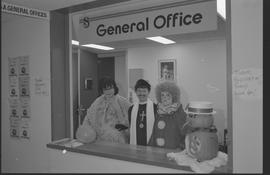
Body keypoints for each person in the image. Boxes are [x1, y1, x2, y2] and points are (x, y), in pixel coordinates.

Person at [80, 77, 131, 144]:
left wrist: (124, 124)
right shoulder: (98, 101)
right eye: (105, 89)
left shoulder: (122, 101)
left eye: (110, 88)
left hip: (118, 139)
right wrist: (85, 130)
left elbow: (131, 118)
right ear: (102, 90)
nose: (108, 91)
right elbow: (89, 117)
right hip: (100, 138)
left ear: (114, 88)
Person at [148, 81, 187, 150]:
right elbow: (154, 133)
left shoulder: (180, 114)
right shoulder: (159, 112)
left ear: (174, 96)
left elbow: (186, 135)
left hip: (173, 152)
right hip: (157, 152)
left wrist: (181, 148)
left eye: (168, 95)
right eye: (162, 95)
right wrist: (149, 148)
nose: (164, 97)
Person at [128, 79, 157, 146]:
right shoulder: (131, 109)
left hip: (151, 142)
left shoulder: (155, 108)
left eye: (144, 91)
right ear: (135, 92)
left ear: (148, 92)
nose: (141, 94)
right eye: (139, 91)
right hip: (136, 142)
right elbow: (130, 126)